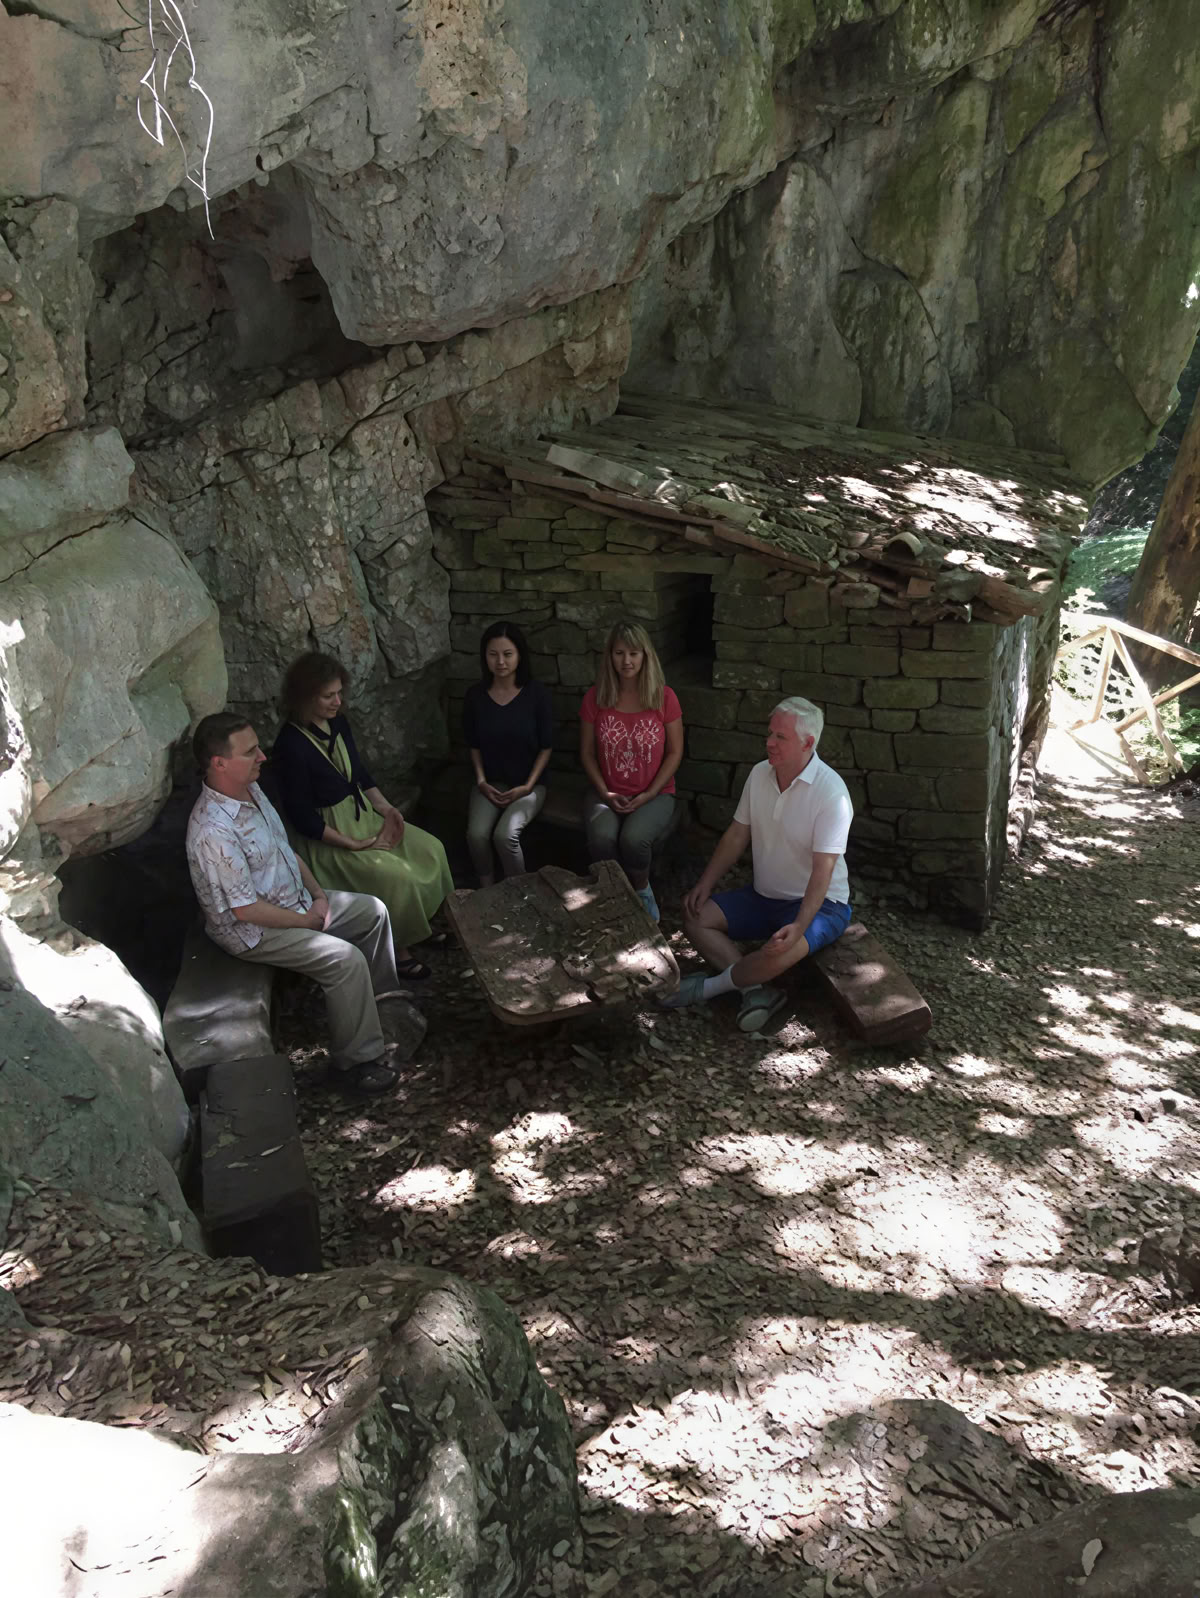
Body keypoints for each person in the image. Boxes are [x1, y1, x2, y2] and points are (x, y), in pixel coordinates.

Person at [185, 711, 404, 1095]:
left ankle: (385, 1003)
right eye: (251, 752)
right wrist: (306, 922)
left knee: (373, 912)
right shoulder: (212, 830)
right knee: (344, 960)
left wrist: (319, 897)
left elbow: (285, 851)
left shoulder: (252, 790)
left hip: (296, 902)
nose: (263, 757)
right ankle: (358, 1062)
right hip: (254, 930)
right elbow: (244, 910)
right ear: (219, 763)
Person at [662, 696, 853, 1033]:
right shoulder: (759, 773)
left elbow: (823, 872)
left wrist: (800, 924)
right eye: (770, 733)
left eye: (781, 737)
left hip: (822, 906)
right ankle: (755, 990)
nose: (770, 742)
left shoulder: (831, 793)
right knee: (694, 916)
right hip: (764, 896)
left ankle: (706, 989)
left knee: (781, 950)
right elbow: (737, 835)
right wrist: (705, 883)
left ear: (808, 743)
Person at [271, 653, 453, 981]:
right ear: (304, 696)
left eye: (339, 693)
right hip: (330, 838)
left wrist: (387, 809)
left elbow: (360, 774)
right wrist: (354, 845)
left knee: (432, 849)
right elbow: (302, 818)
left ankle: (422, 925)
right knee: (398, 878)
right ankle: (399, 949)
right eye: (328, 696)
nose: (337, 701)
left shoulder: (338, 722)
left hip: (363, 816)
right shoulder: (290, 745)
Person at [579, 621, 684, 922]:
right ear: (609, 656)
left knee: (634, 839)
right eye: (619, 653)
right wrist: (605, 792)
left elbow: (675, 752)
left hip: (655, 793)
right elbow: (586, 753)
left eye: (634, 653)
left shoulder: (664, 697)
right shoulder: (596, 697)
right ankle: (610, 894)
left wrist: (650, 793)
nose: (626, 661)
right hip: (606, 791)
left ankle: (642, 893)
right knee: (601, 837)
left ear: (645, 656)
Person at [464, 622, 554, 884]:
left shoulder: (536, 694)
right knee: (477, 835)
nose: (500, 661)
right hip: (490, 782)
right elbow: (474, 745)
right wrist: (481, 782)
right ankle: (487, 889)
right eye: (493, 654)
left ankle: (520, 892)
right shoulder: (476, 696)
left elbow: (546, 747)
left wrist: (527, 786)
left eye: (507, 654)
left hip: (530, 784)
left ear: (519, 656)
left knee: (505, 836)